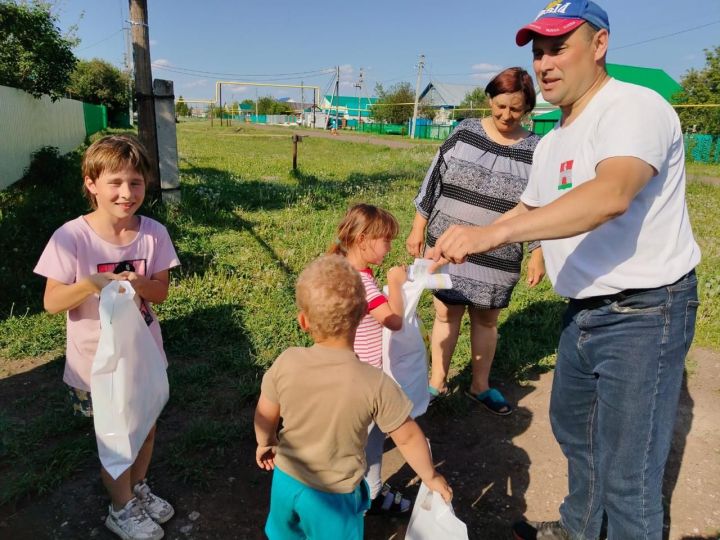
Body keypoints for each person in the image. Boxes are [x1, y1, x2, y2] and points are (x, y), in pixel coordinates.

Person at [429, 1, 701, 538]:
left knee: (629, 474)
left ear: (599, 45)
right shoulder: (553, 140)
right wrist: (462, 238)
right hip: (585, 308)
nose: (545, 63)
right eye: (538, 52)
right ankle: (580, 528)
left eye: (559, 47)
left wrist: (495, 234)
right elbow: (529, 208)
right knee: (575, 431)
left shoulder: (633, 108)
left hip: (645, 311)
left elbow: (612, 194)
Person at [34, 135, 180, 540]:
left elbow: (161, 292)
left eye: (135, 183)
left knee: (146, 425)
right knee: (116, 435)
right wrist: (91, 283)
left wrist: (139, 282)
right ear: (91, 183)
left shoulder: (153, 234)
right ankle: (120, 509)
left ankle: (135, 489)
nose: (126, 193)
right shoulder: (71, 237)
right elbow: (52, 302)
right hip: (95, 363)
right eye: (115, 182)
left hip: (145, 354)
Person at [254, 254, 452, 539]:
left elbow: (265, 413)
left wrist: (265, 442)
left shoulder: (287, 361)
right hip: (334, 496)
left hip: (286, 481)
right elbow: (407, 437)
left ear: (303, 321)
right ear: (362, 316)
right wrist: (430, 476)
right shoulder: (375, 383)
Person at [407, 67, 545, 415]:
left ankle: (479, 386)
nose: (505, 115)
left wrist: (538, 251)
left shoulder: (536, 150)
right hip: (446, 248)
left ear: (527, 109)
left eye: (515, 109)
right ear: (489, 99)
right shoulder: (464, 133)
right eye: (499, 106)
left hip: (499, 256)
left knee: (487, 320)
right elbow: (433, 180)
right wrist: (417, 226)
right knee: (445, 314)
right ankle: (436, 382)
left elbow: (539, 205)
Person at [327, 203, 413, 514]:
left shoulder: (338, 266)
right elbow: (394, 321)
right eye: (386, 240)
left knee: (352, 439)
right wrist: (395, 285)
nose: (389, 247)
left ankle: (357, 488)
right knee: (371, 440)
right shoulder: (365, 283)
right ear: (363, 239)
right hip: (365, 378)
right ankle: (369, 493)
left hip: (342, 371)